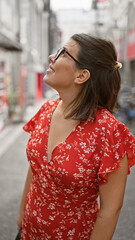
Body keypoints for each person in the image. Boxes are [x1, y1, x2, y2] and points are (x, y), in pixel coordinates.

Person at [17, 33, 135, 240]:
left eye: (63, 53)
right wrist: (21, 216)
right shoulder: (46, 109)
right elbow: (35, 169)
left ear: (82, 76)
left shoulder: (108, 131)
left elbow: (110, 210)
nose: (52, 56)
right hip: (29, 231)